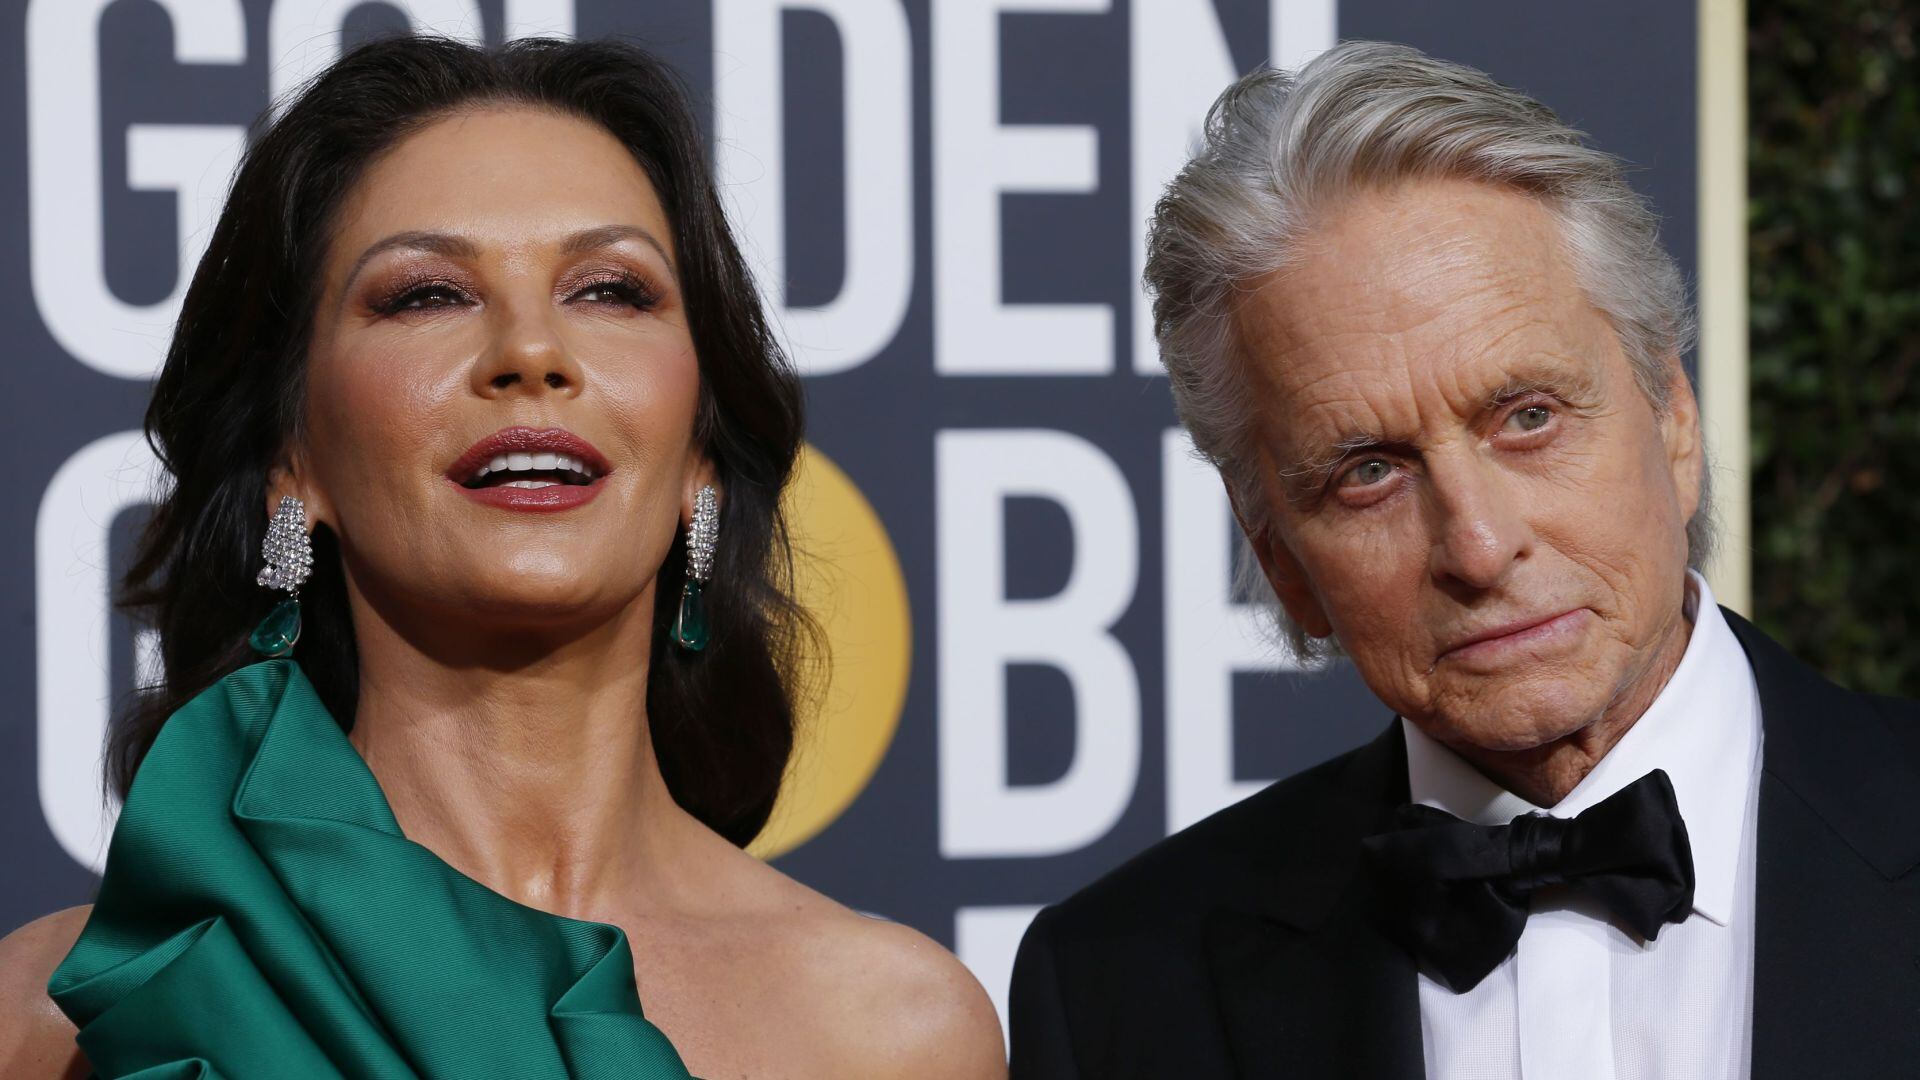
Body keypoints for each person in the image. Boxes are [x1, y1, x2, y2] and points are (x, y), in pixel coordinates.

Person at [0, 35, 1004, 1080]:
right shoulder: (73, 1013)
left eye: (612, 290)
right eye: (427, 293)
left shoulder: (894, 1032)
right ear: (292, 460)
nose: (532, 350)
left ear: (703, 453)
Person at [1008, 40, 1919, 1080]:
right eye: (1368, 474)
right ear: (1281, 558)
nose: (1480, 547)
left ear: (1673, 420)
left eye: (1528, 417)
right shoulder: (1119, 988)